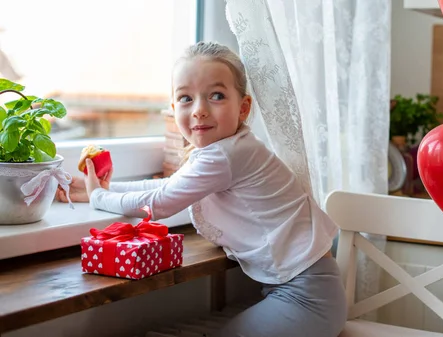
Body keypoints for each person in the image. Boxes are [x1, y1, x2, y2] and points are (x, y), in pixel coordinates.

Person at [56, 41, 347, 337]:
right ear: (173, 108)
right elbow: (167, 186)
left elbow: (161, 202)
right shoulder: (228, 150)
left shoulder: (226, 155)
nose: (199, 110)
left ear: (243, 107)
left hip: (309, 298)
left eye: (216, 96)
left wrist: (99, 196)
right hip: (306, 290)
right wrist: (104, 188)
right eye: (185, 98)